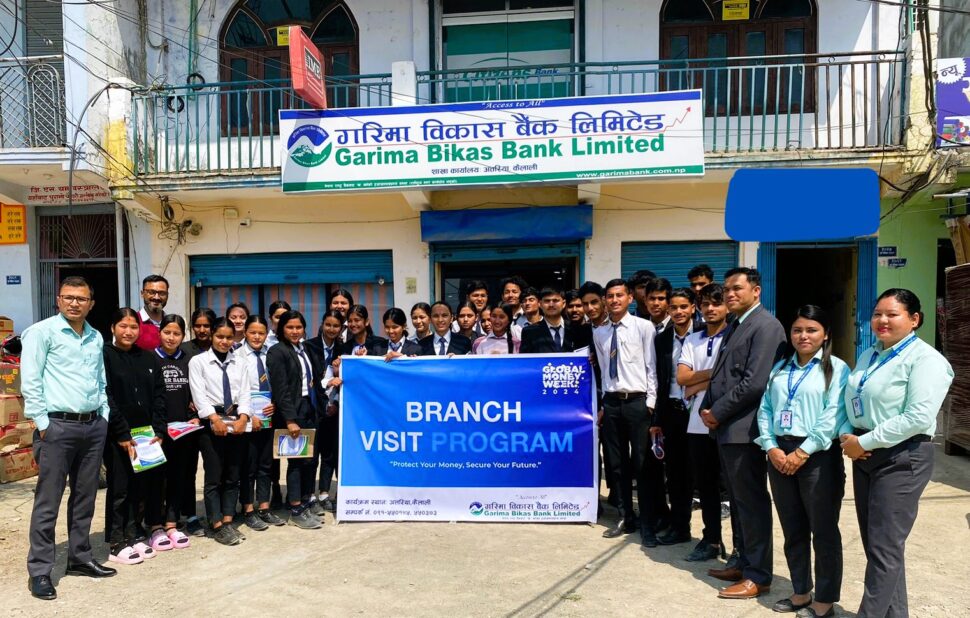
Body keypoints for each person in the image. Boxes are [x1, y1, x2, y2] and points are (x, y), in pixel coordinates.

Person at [839, 289, 953, 618]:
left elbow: (917, 417)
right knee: (879, 548)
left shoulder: (927, 360)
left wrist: (866, 441)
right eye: (877, 314)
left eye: (892, 314)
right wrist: (849, 435)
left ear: (914, 319)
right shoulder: (870, 354)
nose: (882, 320)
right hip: (865, 454)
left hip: (902, 457)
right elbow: (853, 400)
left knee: (884, 548)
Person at [23, 276, 116, 600]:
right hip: (57, 428)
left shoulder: (95, 336)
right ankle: (40, 570)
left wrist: (103, 415)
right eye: (69, 297)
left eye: (81, 298)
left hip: (92, 426)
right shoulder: (41, 332)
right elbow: (30, 381)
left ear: (91, 304)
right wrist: (43, 424)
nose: (75, 303)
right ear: (59, 300)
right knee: (48, 501)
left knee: (85, 497)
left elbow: (100, 380)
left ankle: (79, 557)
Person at [756, 305, 849, 618]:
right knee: (793, 529)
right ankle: (800, 592)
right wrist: (771, 446)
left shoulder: (837, 369)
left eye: (811, 330)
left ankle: (825, 601)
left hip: (818, 456)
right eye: (797, 330)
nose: (803, 336)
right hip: (779, 454)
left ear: (825, 335)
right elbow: (765, 409)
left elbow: (833, 415)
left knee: (823, 531)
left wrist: (803, 451)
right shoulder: (781, 368)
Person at [700, 267, 787, 600]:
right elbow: (721, 375)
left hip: (745, 429)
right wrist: (707, 408)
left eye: (737, 288)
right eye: (727, 289)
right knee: (738, 503)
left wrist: (717, 411)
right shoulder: (737, 324)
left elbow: (755, 382)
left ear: (756, 291)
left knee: (752, 504)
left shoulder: (766, 326)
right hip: (727, 428)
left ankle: (758, 576)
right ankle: (743, 562)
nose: (730, 294)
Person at [592, 279, 659, 545]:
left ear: (630, 298)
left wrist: (651, 403)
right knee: (616, 464)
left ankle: (648, 521)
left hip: (638, 402)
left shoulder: (644, 327)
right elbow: (601, 371)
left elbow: (651, 366)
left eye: (619, 295)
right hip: (611, 403)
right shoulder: (600, 332)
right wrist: (602, 404)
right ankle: (625, 516)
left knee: (643, 464)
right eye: (610, 296)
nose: (614, 300)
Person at [102, 307, 168, 564]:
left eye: (133, 327)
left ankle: (133, 533)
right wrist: (120, 431)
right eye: (123, 326)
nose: (128, 331)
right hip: (119, 436)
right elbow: (106, 395)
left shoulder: (147, 357)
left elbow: (159, 395)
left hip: (146, 437)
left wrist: (159, 430)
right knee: (120, 489)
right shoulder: (105, 355)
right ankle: (116, 542)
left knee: (139, 487)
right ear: (113, 328)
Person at [188, 318, 253, 546]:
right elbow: (198, 394)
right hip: (212, 422)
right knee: (214, 475)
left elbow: (245, 392)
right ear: (212, 336)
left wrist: (243, 417)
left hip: (235, 420)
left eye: (229, 337)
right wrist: (214, 419)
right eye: (220, 337)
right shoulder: (198, 362)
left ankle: (227, 520)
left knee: (233, 474)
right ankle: (215, 523)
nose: (224, 341)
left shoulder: (240, 362)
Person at [677, 283, 730, 562]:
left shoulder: (735, 337)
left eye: (716, 303)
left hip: (728, 420)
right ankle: (711, 540)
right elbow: (682, 378)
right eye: (706, 303)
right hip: (697, 423)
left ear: (727, 306)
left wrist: (698, 383)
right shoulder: (693, 339)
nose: (711, 308)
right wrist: (714, 374)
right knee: (706, 486)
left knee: (732, 489)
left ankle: (742, 548)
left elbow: (735, 377)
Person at [267, 310, 326, 530]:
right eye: (290, 327)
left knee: (309, 460)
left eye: (298, 327)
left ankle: (305, 500)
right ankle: (295, 508)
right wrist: (290, 419)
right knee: (296, 461)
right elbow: (281, 389)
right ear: (281, 328)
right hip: (293, 411)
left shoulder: (304, 348)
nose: (294, 331)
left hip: (309, 408)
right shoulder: (277, 351)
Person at [649, 288, 697, 547]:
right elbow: (658, 379)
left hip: (699, 411)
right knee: (676, 474)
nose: (679, 312)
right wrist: (657, 419)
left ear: (693, 308)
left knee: (702, 474)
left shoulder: (705, 334)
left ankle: (713, 536)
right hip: (672, 412)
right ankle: (680, 527)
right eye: (674, 307)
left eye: (683, 307)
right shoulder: (662, 339)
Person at [239, 315, 284, 532]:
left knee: (266, 464)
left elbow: (278, 382)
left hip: (268, 416)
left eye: (261, 333)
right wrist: (249, 414)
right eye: (252, 332)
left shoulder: (271, 354)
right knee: (249, 466)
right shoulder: (237, 355)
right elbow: (236, 389)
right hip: (247, 417)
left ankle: (264, 507)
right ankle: (248, 509)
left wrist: (274, 404)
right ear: (245, 332)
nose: (257, 337)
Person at [155, 314, 195, 550]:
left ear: (183, 336)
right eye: (167, 332)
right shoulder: (150, 358)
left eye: (177, 333)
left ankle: (171, 522)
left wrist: (193, 414)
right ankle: (155, 524)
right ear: (159, 333)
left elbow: (196, 393)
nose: (171, 337)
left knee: (178, 476)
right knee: (157, 478)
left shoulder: (189, 360)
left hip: (182, 431)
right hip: (158, 431)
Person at [177, 307, 216, 536]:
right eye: (198, 325)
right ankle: (190, 515)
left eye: (206, 325)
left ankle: (217, 513)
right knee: (188, 469)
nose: (202, 330)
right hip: (190, 419)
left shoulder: (220, 347)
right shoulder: (184, 350)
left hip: (215, 419)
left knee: (214, 467)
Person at [306, 309, 345, 512]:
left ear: (341, 328)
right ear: (322, 324)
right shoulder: (309, 346)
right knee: (312, 455)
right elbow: (307, 378)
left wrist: (335, 403)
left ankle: (324, 492)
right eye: (328, 324)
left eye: (336, 326)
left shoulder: (343, 348)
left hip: (334, 409)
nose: (331, 329)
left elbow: (347, 379)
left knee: (329, 454)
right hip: (313, 408)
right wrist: (327, 382)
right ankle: (309, 495)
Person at [520, 287, 582, 353]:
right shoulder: (529, 332)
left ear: (564, 304)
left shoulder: (575, 328)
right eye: (547, 301)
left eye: (555, 300)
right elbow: (525, 358)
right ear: (540, 304)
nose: (551, 305)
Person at [135, 274, 170, 351]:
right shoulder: (133, 322)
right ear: (142, 294)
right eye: (151, 292)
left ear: (167, 295)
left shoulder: (172, 323)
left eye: (162, 293)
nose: (156, 297)